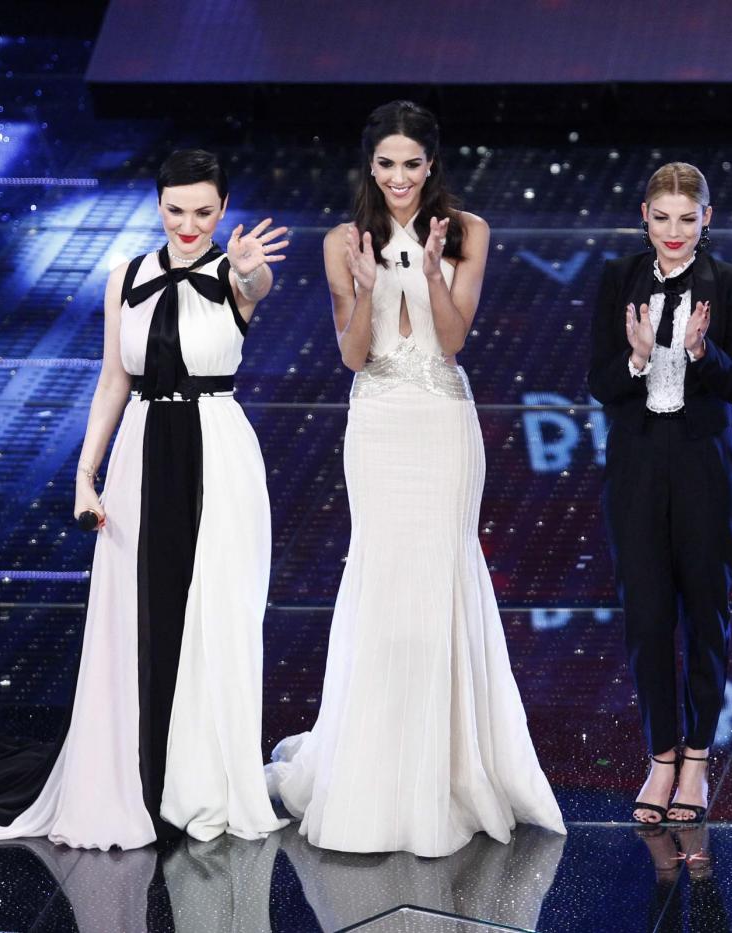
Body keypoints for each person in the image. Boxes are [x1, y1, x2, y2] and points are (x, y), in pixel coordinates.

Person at [0, 149, 291, 849]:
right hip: (141, 449)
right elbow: (113, 379)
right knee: (138, 614)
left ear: (224, 209)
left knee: (214, 613)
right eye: (176, 210)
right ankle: (136, 777)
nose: (189, 225)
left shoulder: (235, 274)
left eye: (204, 212)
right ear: (158, 205)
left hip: (219, 451)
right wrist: (85, 473)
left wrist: (247, 268)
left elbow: (255, 284)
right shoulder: (125, 278)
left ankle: (201, 782)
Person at [267, 100, 565, 858]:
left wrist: (431, 273)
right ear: (371, 167)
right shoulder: (342, 243)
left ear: (431, 165)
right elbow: (352, 354)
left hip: (441, 420)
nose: (399, 178)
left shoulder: (468, 233)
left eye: (412, 164)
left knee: (440, 576)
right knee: (383, 579)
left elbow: (455, 337)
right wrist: (368, 286)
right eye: (387, 164)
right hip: (377, 422)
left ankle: (449, 768)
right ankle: (373, 765)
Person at [588, 162, 732, 826]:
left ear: (707, 218)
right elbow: (601, 383)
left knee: (706, 616)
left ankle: (697, 758)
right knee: (648, 617)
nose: (674, 232)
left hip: (704, 470)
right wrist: (636, 359)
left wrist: (700, 352)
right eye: (662, 218)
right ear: (644, 216)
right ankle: (661, 757)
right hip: (635, 469)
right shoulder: (617, 278)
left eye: (688, 219)